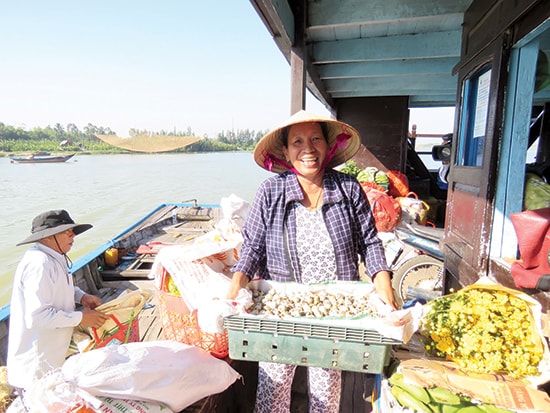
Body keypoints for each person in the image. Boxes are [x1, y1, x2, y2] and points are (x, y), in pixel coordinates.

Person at [226, 110, 397, 413]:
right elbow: (252, 246)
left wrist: (386, 290)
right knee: (273, 387)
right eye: (298, 141)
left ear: (328, 146)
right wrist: (234, 290)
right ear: (285, 151)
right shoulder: (271, 191)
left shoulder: (348, 188)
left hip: (333, 315)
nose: (308, 148)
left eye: (316, 138)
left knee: (326, 390)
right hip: (281, 311)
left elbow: (370, 243)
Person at [7, 209, 109, 405]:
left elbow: (62, 286)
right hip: (35, 367)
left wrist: (82, 296)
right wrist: (81, 317)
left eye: (72, 231)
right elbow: (38, 316)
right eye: (67, 232)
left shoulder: (56, 256)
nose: (73, 236)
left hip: (52, 359)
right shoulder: (39, 264)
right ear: (48, 237)